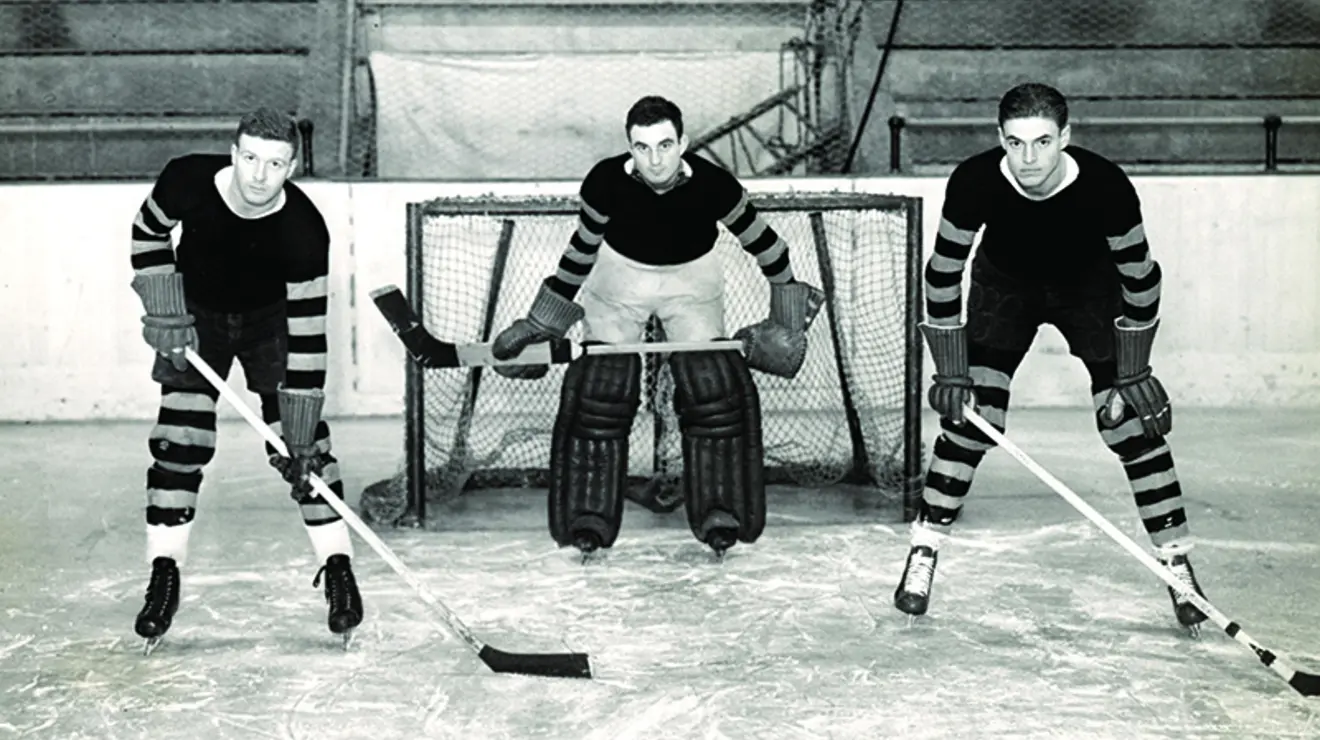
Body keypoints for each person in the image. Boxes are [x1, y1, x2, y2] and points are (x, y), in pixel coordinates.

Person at [895, 83, 1208, 634]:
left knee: (1130, 424)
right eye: (1015, 143)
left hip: (1090, 294)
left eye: (1043, 142)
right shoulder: (974, 180)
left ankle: (1178, 567)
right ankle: (923, 551)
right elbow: (942, 273)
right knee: (973, 419)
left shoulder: (1106, 186)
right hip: (1004, 292)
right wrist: (950, 369)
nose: (1029, 159)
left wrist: (1134, 367)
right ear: (1000, 139)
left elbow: (1140, 278)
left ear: (1066, 136)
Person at [490, 95, 825, 558]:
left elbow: (764, 243)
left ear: (683, 142)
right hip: (619, 277)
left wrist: (789, 318)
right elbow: (581, 250)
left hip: (692, 277)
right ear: (629, 147)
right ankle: (588, 515)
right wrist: (543, 319)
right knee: (599, 392)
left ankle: (719, 509)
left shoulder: (714, 185)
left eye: (665, 145)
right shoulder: (606, 182)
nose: (655, 159)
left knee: (713, 389)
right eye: (642, 147)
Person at [127, 108, 362, 653]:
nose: (259, 175)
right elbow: (147, 231)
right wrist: (165, 308)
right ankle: (164, 575)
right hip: (197, 321)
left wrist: (299, 430)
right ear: (234, 153)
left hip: (269, 325)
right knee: (179, 441)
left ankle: (339, 570)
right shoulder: (185, 179)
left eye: (275, 163)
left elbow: (307, 338)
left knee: (309, 454)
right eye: (250, 158)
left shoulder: (305, 232)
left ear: (293, 167)